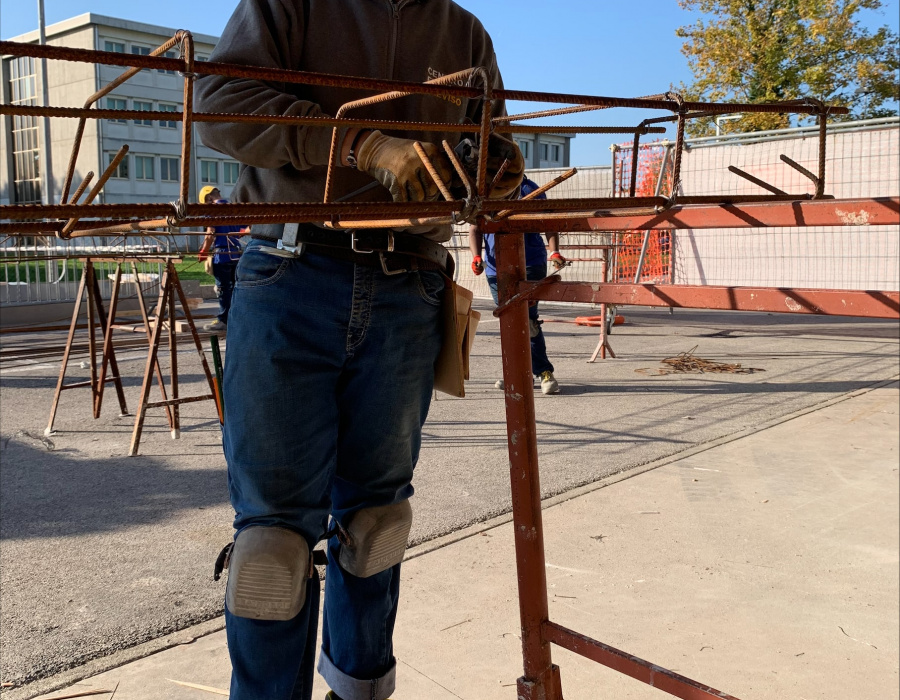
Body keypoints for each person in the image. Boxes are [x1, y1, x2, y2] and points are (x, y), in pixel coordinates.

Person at [194, 2, 523, 699]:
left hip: (409, 281)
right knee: (273, 547)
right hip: (291, 269)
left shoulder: (463, 33)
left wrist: (492, 166)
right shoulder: (290, 6)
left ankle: (362, 689)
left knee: (377, 524)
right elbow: (219, 103)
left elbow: (489, 145)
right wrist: (358, 144)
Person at [469, 176, 567, 395]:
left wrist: (554, 251)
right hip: (497, 267)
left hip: (531, 263)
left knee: (529, 320)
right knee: (510, 321)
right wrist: (476, 257)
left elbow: (549, 223)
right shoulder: (485, 192)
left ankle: (543, 372)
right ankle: (516, 372)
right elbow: (475, 228)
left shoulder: (531, 191)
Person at [196, 186, 243, 333]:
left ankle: (223, 320)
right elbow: (242, 230)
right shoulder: (232, 208)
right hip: (236, 254)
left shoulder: (213, 211)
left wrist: (203, 251)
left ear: (209, 198)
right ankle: (237, 319)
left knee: (223, 289)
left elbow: (210, 234)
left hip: (221, 255)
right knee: (236, 288)